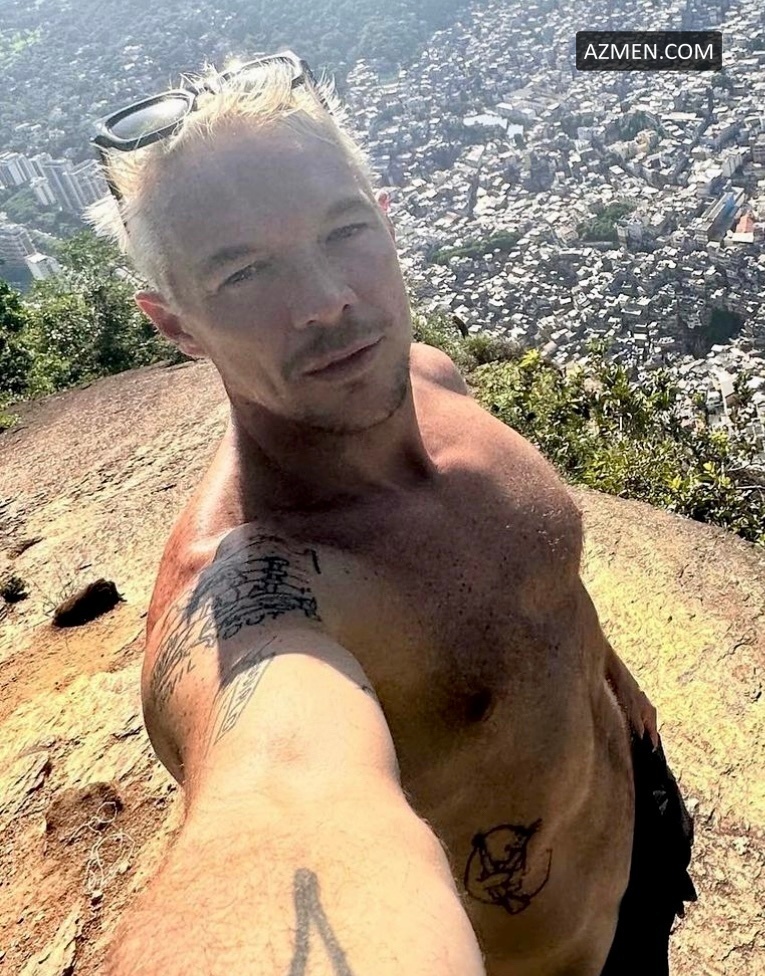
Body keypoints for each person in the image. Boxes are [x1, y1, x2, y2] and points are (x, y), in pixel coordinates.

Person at [87, 51, 696, 976]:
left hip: (637, 820)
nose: (326, 301)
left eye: (343, 231)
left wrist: (614, 682)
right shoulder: (262, 600)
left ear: (385, 220)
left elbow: (544, 595)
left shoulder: (431, 378)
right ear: (174, 324)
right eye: (243, 273)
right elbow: (284, 799)